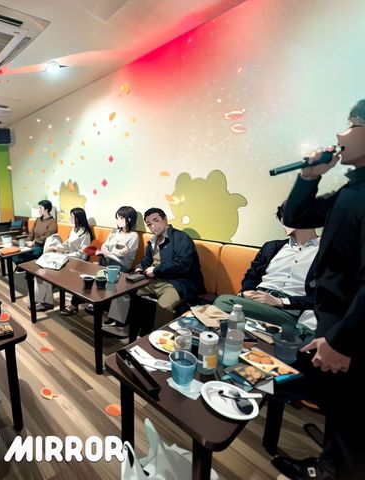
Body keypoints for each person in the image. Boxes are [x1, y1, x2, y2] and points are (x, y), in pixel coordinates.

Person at [271, 100, 365, 480]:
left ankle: (332, 469)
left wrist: (342, 341)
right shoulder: (352, 189)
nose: (341, 134)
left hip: (351, 328)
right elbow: (296, 215)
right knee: (342, 410)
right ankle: (329, 463)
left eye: (352, 124)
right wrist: (309, 176)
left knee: (350, 413)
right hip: (335, 319)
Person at [213, 202, 319, 333]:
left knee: (223, 304)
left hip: (289, 310)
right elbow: (251, 276)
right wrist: (247, 291)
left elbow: (323, 296)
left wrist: (280, 301)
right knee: (221, 304)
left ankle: (289, 333)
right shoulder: (271, 247)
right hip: (258, 301)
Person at [130, 207, 204, 335]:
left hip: (179, 282)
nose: (153, 226)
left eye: (156, 220)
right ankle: (139, 330)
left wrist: (156, 270)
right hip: (156, 279)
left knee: (164, 305)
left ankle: (159, 337)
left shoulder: (181, 238)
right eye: (149, 224)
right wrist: (140, 268)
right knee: (131, 290)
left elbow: (183, 264)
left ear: (165, 220)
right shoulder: (153, 241)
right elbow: (147, 259)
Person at [61, 205, 139, 316]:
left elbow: (123, 254)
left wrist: (109, 252)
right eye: (117, 217)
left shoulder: (133, 236)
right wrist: (110, 251)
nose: (117, 220)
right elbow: (104, 246)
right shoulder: (114, 232)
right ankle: (75, 304)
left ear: (129, 219)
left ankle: (95, 303)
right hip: (106, 262)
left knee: (99, 273)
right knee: (88, 276)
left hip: (121, 266)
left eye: (121, 218)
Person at [33, 207, 94, 311]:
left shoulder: (86, 234)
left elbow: (82, 255)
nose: (70, 218)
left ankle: (46, 302)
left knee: (45, 273)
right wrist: (56, 248)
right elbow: (67, 244)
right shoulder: (74, 229)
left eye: (72, 217)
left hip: (76, 264)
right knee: (40, 273)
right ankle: (46, 301)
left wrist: (66, 255)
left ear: (78, 218)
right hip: (66, 259)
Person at [12, 200, 58, 265]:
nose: (39, 210)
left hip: (42, 247)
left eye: (40, 208)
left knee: (22, 256)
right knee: (14, 254)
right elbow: (31, 233)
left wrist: (33, 243)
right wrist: (27, 242)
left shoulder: (52, 222)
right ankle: (21, 267)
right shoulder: (38, 219)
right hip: (32, 246)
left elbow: (46, 238)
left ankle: (22, 267)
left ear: (46, 209)